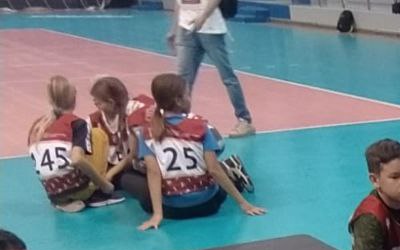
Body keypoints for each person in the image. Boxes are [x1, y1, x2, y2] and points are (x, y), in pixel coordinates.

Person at [135, 74, 262, 231]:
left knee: (137, 182)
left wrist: (157, 215)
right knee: (214, 166)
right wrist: (244, 204)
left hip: (172, 211)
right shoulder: (200, 125)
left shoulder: (146, 132)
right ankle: (229, 168)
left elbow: (153, 174)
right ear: (179, 100)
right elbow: (213, 170)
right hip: (208, 205)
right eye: (188, 94)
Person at [27, 77, 122, 214]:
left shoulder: (38, 126)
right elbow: (77, 159)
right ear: (74, 98)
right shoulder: (77, 123)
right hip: (77, 188)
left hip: (52, 193)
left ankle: (64, 202)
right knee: (97, 135)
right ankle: (96, 193)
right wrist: (105, 184)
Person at [170, 0, 254, 139]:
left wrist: (203, 16)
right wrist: (174, 29)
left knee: (227, 76)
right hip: (185, 28)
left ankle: (244, 119)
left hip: (210, 29)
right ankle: (180, 119)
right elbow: (179, 4)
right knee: (183, 79)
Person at [87, 76, 155, 190]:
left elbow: (132, 155)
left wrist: (111, 173)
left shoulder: (135, 110)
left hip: (146, 165)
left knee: (143, 188)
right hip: (125, 166)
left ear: (111, 102)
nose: (96, 106)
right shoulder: (94, 120)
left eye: (98, 103)